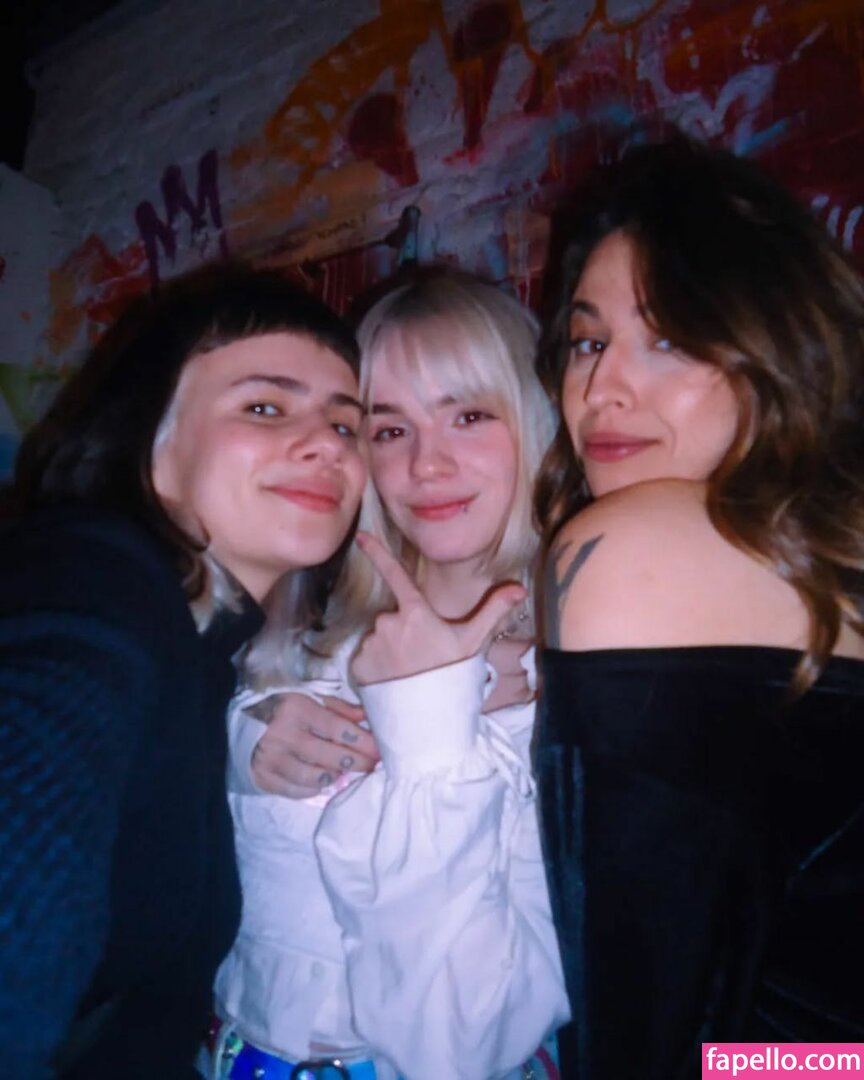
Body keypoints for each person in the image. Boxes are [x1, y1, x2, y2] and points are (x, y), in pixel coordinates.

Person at [534, 136, 864, 1078]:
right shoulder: (829, 554)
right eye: (588, 342)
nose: (602, 389)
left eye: (671, 338)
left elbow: (653, 1045)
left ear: (780, 351)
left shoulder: (631, 549)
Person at [0, 264, 367, 1080]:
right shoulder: (91, 579)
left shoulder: (201, 643)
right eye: (265, 407)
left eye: (347, 424)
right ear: (152, 441)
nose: (327, 445)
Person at [208, 270, 569, 1080]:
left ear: (534, 422)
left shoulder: (575, 685)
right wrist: (243, 743)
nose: (426, 465)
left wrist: (430, 727)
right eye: (389, 428)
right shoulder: (302, 632)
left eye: (468, 416)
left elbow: (462, 1047)